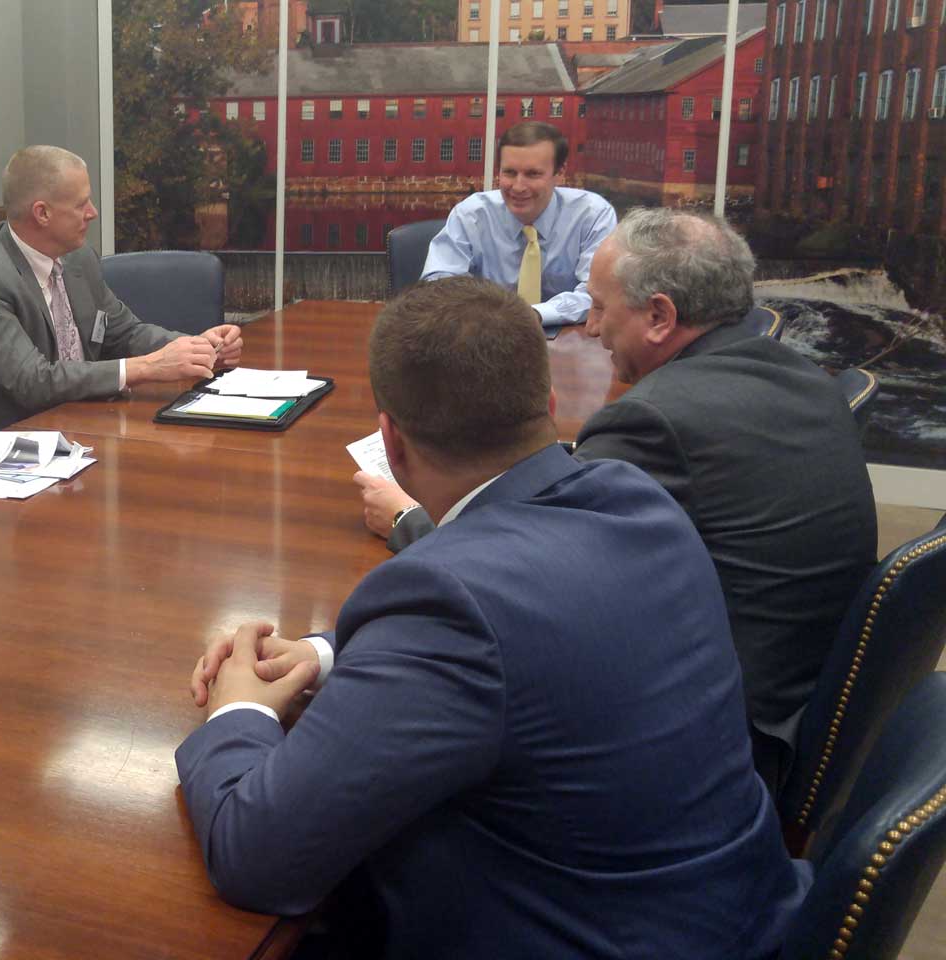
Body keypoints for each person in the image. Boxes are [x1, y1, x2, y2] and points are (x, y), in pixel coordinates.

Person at [183, 278, 808, 959]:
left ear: (390, 442)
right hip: (737, 914)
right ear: (546, 404)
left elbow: (256, 856)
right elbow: (527, 629)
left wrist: (237, 712)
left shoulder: (449, 604)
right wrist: (328, 655)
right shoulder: (637, 498)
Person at [358, 208, 876, 789]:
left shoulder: (654, 422)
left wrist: (410, 520)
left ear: (659, 315)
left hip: (719, 739)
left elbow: (527, 586)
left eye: (601, 307)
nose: (594, 327)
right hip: (800, 700)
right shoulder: (797, 374)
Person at [0, 145, 244, 457]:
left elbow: (124, 333)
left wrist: (195, 347)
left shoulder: (78, 259)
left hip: (59, 433)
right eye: (82, 204)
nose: (93, 213)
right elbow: (32, 381)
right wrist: (149, 367)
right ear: (42, 213)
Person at [420, 121, 616, 330]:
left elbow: (599, 294)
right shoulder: (472, 215)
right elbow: (439, 282)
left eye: (533, 174)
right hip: (485, 335)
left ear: (560, 173)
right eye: (510, 173)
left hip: (569, 340)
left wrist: (537, 314)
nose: (518, 187)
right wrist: (481, 311)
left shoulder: (592, 215)